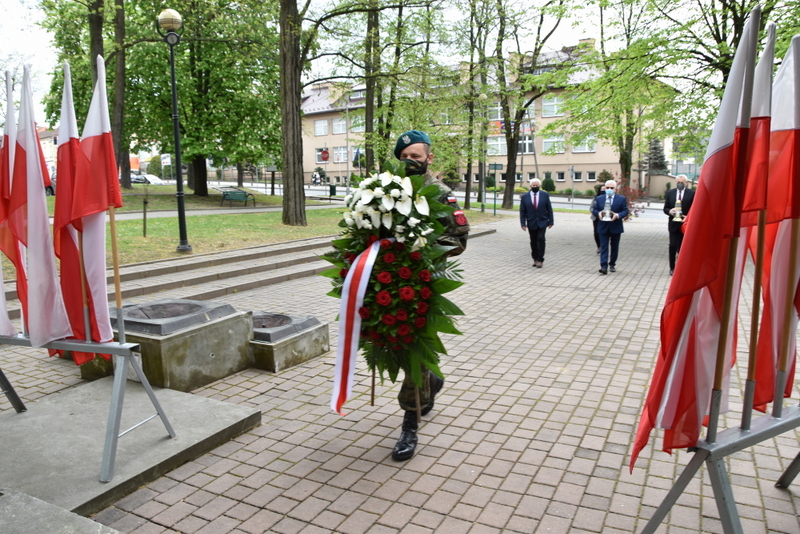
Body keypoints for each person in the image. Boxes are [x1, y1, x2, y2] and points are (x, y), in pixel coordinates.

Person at [392, 129, 469, 461]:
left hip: (425, 284)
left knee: (415, 352)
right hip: (388, 284)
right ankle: (432, 382)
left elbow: (460, 239)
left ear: (429, 158)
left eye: (416, 156)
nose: (410, 162)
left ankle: (410, 424)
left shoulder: (440, 194)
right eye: (405, 157)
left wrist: (422, 249)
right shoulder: (385, 190)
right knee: (394, 346)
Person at [591, 180, 628, 274]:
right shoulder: (599, 198)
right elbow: (594, 209)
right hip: (603, 226)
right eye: (607, 188)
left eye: (611, 188)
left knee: (614, 247)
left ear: (615, 189)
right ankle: (603, 266)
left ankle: (612, 264)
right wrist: (598, 213)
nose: (609, 189)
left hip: (615, 226)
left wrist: (618, 215)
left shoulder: (621, 199)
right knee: (604, 247)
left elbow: (625, 211)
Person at [663, 174, 695, 275]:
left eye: (682, 182)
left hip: (685, 224)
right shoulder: (670, 193)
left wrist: (688, 217)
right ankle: (672, 267)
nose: (680, 184)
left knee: (683, 247)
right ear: (675, 182)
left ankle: (682, 267)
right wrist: (670, 211)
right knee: (672, 245)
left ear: (686, 183)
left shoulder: (692, 193)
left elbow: (695, 208)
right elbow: (665, 208)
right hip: (673, 224)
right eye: (678, 182)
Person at [519, 178, 554, 268]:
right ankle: (535, 258)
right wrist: (523, 224)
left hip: (542, 221)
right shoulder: (525, 196)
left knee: (541, 239)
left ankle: (540, 259)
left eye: (537, 185)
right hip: (531, 222)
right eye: (533, 185)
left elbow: (549, 209)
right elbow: (522, 211)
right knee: (533, 241)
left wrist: (551, 221)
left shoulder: (544, 195)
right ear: (530, 186)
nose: (535, 187)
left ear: (539, 186)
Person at [590, 183, 606, 254]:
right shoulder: (596, 198)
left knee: (603, 233)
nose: (604, 191)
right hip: (596, 218)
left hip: (605, 218)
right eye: (602, 189)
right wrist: (597, 213)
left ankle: (603, 246)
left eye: (605, 189)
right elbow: (591, 208)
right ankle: (599, 246)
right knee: (596, 233)